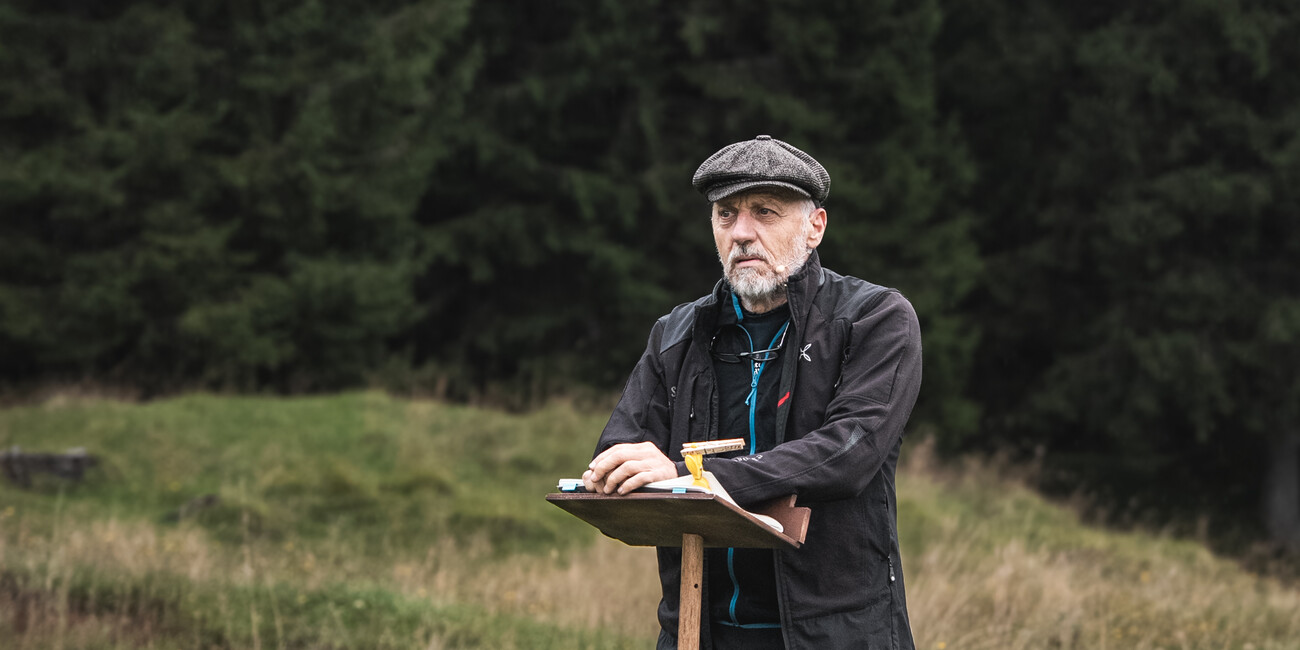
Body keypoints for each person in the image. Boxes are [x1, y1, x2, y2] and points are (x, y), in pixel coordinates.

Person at [583, 135, 922, 649]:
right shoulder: (676, 334)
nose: (742, 232)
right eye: (725, 214)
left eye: (764, 211)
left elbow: (849, 452)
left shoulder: (874, 320)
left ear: (815, 226)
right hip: (698, 633)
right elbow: (620, 452)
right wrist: (618, 472)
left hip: (834, 636)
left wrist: (694, 478)